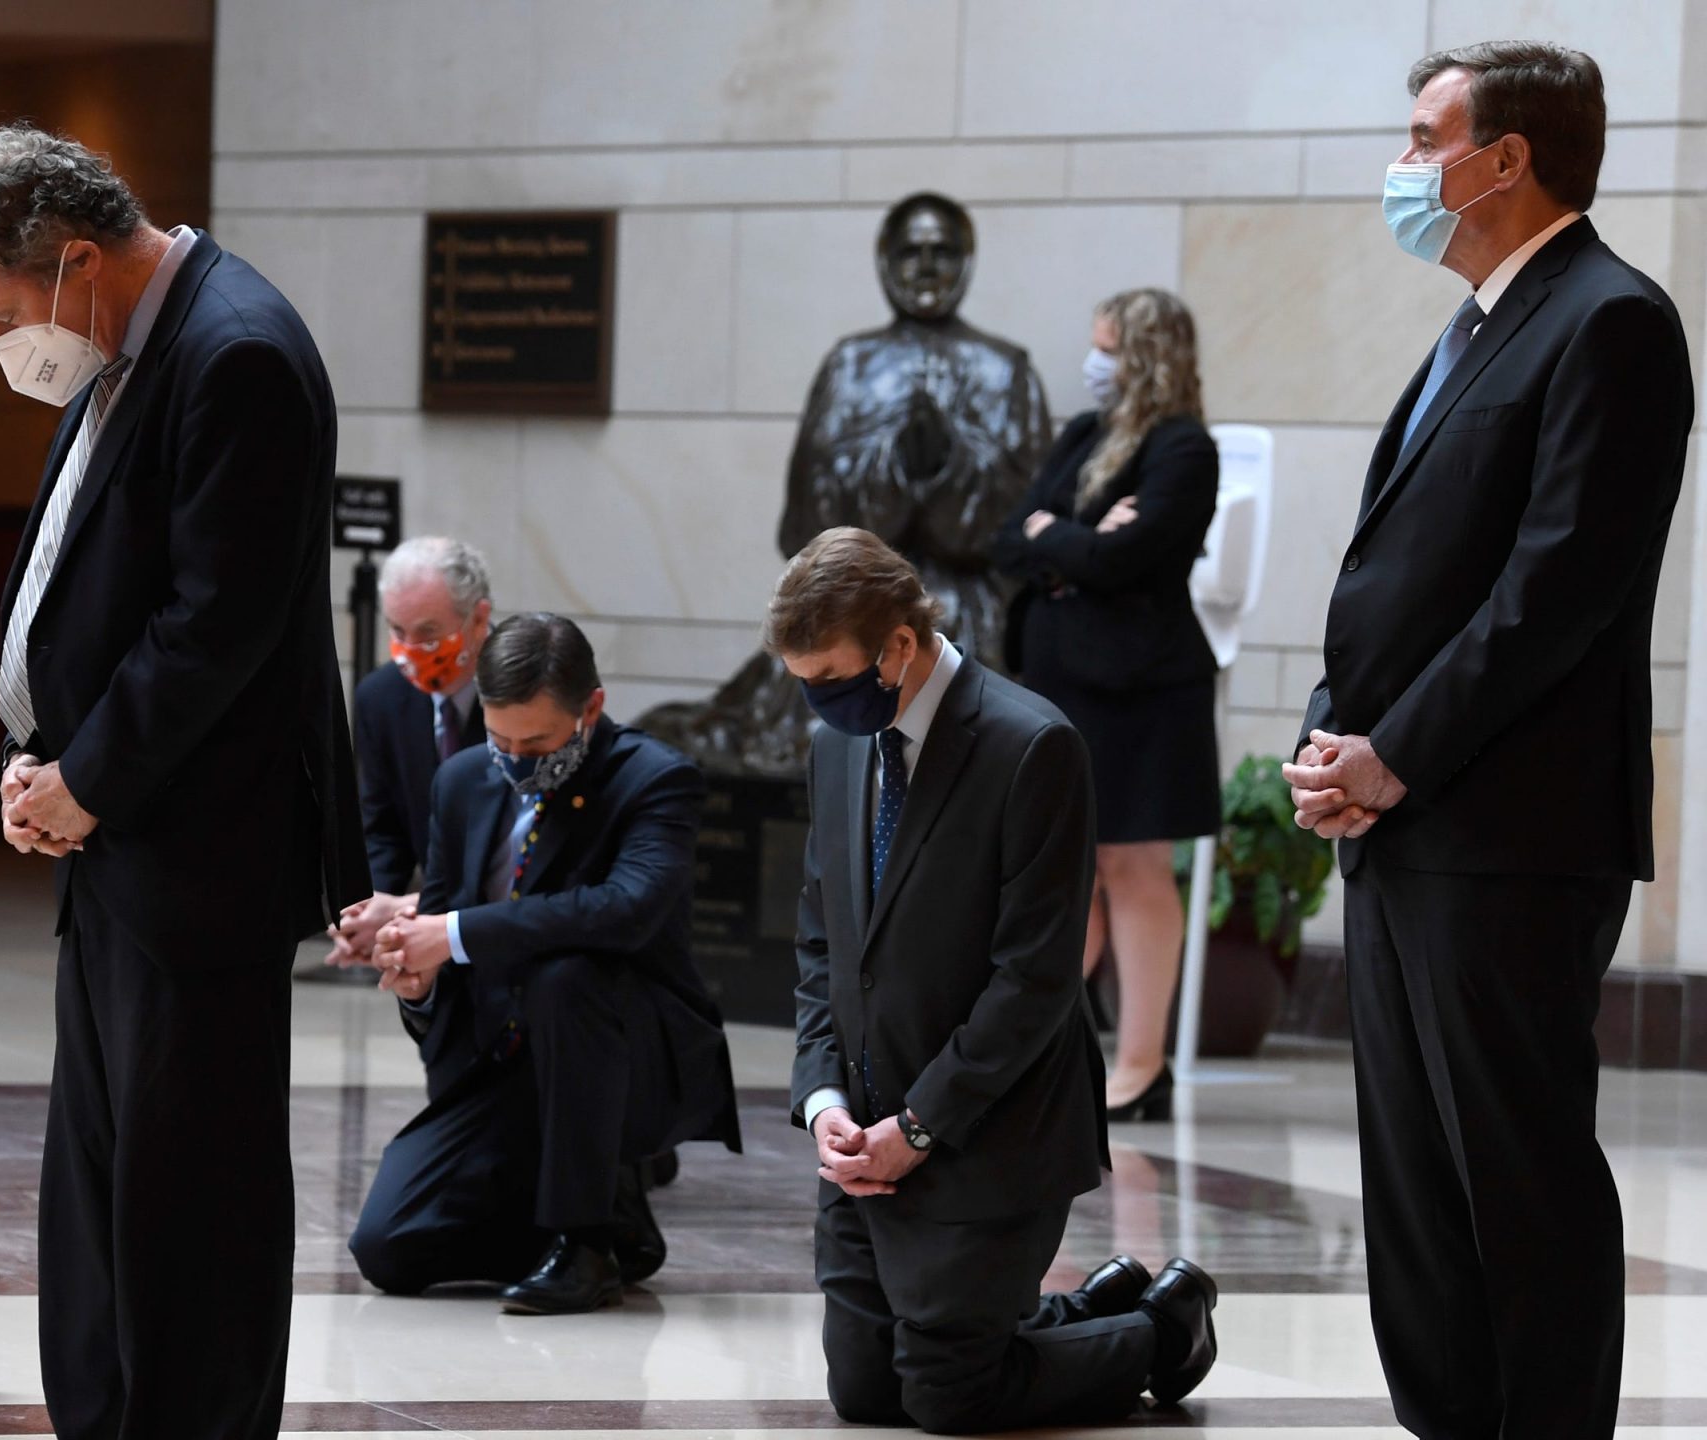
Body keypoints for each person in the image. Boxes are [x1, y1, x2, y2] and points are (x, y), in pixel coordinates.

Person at [0, 125, 368, 1439]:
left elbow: (213, 624)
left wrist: (87, 777)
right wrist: (33, 758)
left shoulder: (236, 352)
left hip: (199, 847)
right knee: (109, 1174)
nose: (7, 345)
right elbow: (78, 579)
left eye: (3, 315)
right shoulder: (131, 348)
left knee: (194, 1192)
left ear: (69, 260)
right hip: (118, 836)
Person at [1284, 43, 1693, 1440]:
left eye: (1421, 137)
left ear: (1505, 157)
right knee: (1414, 1183)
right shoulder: (1473, 322)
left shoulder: (1612, 320)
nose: (1402, 167)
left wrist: (1393, 753)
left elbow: (1556, 588)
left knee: (1514, 1176)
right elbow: (1397, 573)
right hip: (1405, 820)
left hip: (1510, 833)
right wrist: (1329, 743)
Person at [772, 527, 1218, 1432]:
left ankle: (1162, 1329)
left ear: (899, 644)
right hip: (865, 1131)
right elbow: (824, 947)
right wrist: (825, 1103)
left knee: (948, 1396)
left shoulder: (1031, 745)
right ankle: (1080, 1311)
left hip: (988, 1130)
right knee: (864, 1392)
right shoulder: (837, 748)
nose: (817, 702)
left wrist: (921, 1126)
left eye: (829, 677)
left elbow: (1034, 982)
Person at [353, 614, 741, 1313]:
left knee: (570, 973)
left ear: (590, 709)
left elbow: (625, 910)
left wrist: (456, 933)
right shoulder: (463, 781)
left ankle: (586, 1241)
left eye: (537, 742)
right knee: (389, 1247)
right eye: (501, 740)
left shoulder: (656, 780)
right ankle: (608, 1222)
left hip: (624, 1055)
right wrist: (418, 979)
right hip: (503, 1062)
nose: (515, 759)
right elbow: (440, 934)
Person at [642, 192, 1050, 779]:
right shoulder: (851, 363)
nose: (928, 267)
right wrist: (889, 469)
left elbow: (1024, 523)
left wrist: (951, 470)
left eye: (944, 251)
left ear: (967, 261)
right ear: (886, 261)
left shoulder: (1005, 367)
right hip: (854, 593)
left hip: (964, 600)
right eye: (912, 252)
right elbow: (806, 519)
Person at [992, 288, 1221, 1123]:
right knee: (1071, 873)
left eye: (1109, 348)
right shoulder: (1084, 437)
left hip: (1141, 689)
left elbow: (1129, 559)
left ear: (1148, 357)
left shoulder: (1183, 449)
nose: (1095, 364)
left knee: (1133, 866)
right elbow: (1009, 538)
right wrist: (1074, 539)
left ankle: (1140, 1064)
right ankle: (1047, 1051)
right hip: (1062, 681)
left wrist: (1066, 538)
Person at [329, 536, 494, 968]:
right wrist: (366, 912)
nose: (410, 650)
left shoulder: (523, 691)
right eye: (397, 631)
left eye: (428, 633)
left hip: (509, 919)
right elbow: (382, 826)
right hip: (426, 932)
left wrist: (412, 907)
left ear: (479, 620)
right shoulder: (380, 698)